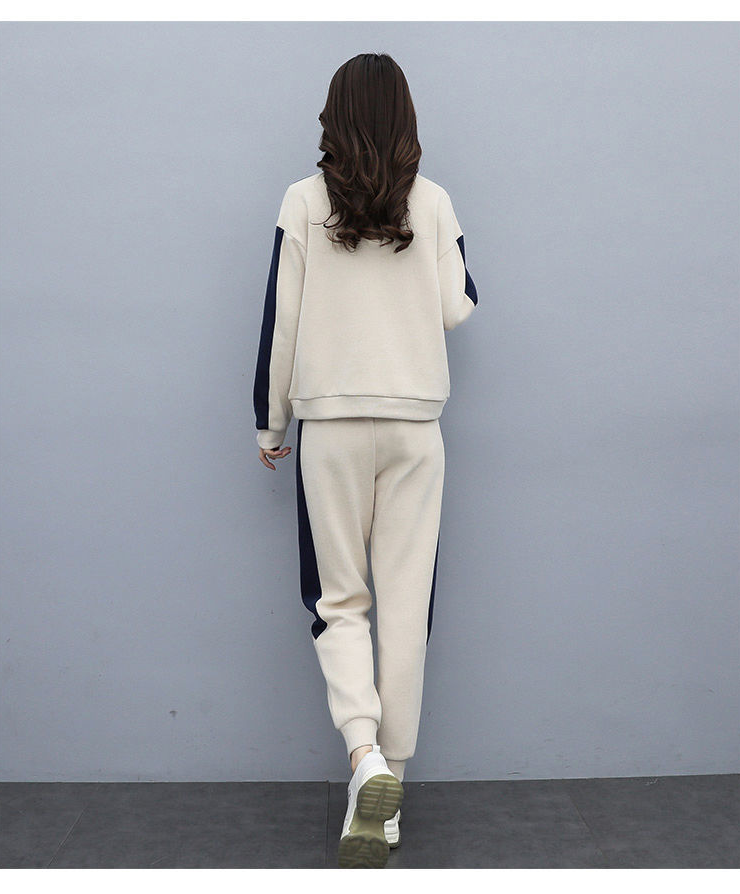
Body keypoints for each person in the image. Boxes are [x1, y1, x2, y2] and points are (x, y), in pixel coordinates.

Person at [253, 52, 478, 869]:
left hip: (333, 426)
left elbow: (282, 320)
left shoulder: (303, 200)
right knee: (407, 609)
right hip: (416, 425)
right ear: (405, 117)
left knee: (338, 599)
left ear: (334, 116)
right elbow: (457, 307)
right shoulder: (436, 201)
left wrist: (269, 424)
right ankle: (390, 796)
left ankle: (365, 756)